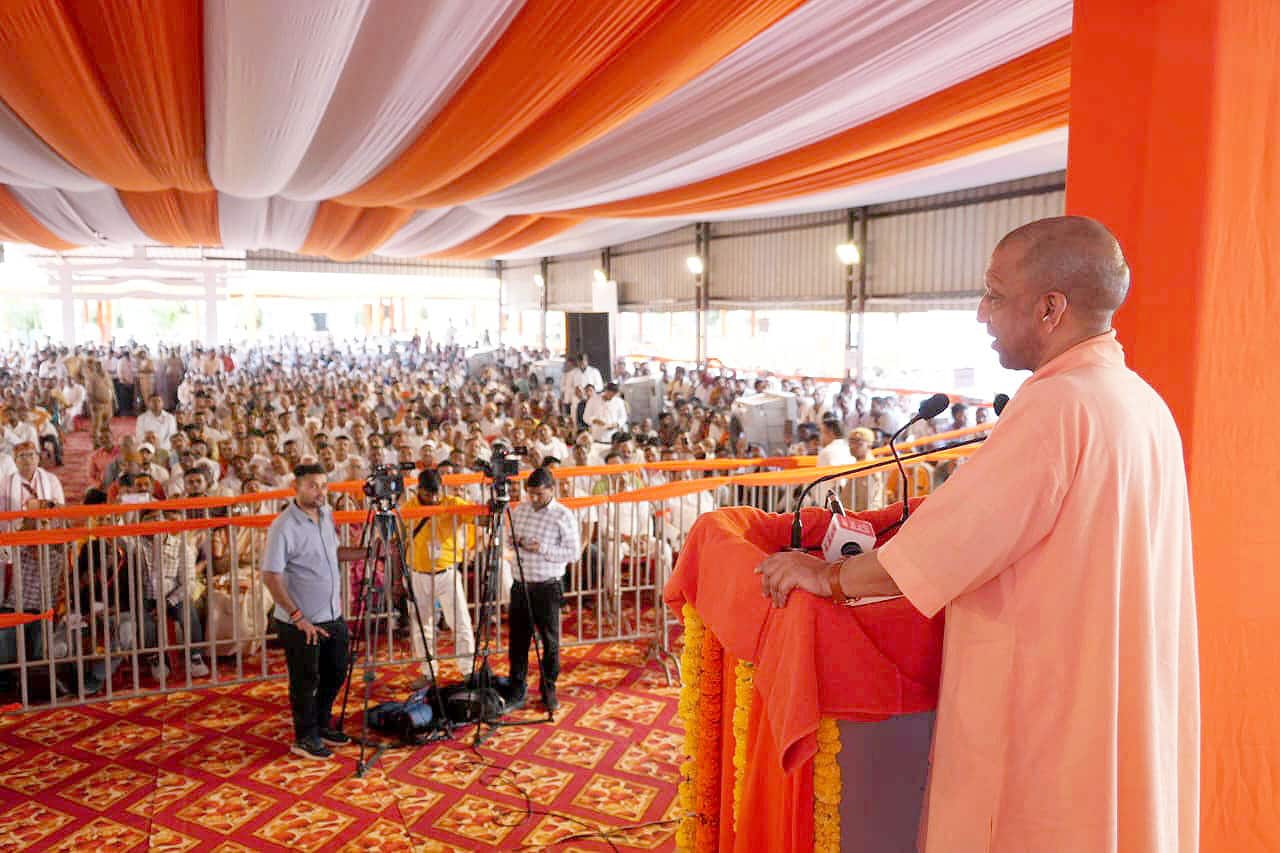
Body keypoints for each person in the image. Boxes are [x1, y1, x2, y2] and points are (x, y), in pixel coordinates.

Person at [757, 216, 1198, 852]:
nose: (981, 314)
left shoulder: (1057, 406)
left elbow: (946, 545)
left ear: (1051, 307)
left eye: (994, 293)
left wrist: (825, 575)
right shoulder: (1139, 400)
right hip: (1112, 693)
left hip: (1050, 706)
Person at [261, 463, 366, 760]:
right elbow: (270, 575)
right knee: (305, 680)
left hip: (331, 614)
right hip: (299, 621)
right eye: (312, 486)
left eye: (323, 485)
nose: (320, 492)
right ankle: (305, 737)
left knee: (337, 669)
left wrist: (366, 552)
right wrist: (298, 618)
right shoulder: (284, 525)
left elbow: (332, 554)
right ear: (296, 487)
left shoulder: (325, 514)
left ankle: (321, 722)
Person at [505, 466, 579, 712]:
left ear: (551, 489)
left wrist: (543, 548)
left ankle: (548, 688)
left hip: (547, 586)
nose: (533, 498)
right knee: (518, 640)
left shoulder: (563, 515)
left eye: (538, 494)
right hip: (520, 584)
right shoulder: (520, 510)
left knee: (550, 641)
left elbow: (573, 553)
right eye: (530, 493)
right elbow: (507, 539)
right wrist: (517, 543)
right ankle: (517, 687)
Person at [402, 469, 476, 689]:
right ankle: (428, 672)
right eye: (428, 494)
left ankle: (468, 670)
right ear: (418, 491)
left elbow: (478, 516)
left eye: (436, 493)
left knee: (460, 622)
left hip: (447, 572)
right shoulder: (409, 508)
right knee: (420, 626)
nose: (433, 499)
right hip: (417, 573)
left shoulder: (453, 502)